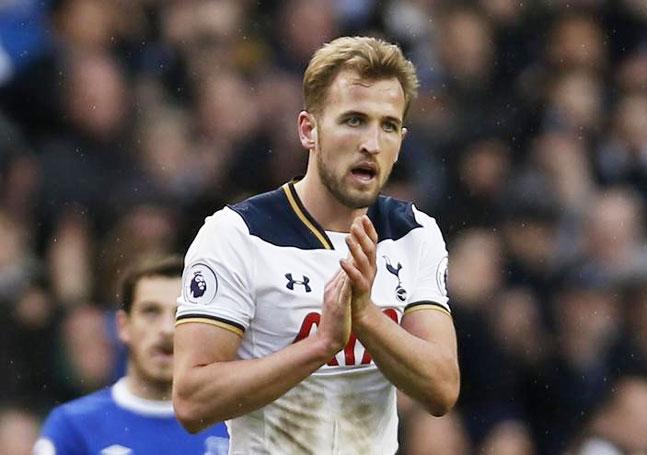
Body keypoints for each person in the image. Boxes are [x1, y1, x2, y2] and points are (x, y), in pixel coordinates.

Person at [173, 36, 460, 454]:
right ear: (309, 130)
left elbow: (442, 388)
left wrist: (365, 316)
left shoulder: (414, 232)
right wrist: (320, 345)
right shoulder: (237, 235)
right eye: (354, 120)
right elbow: (191, 400)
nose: (371, 144)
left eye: (389, 126)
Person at [33, 256, 229, 454]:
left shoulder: (232, 426)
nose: (167, 329)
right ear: (123, 326)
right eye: (151, 312)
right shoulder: (73, 427)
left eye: (181, 314)